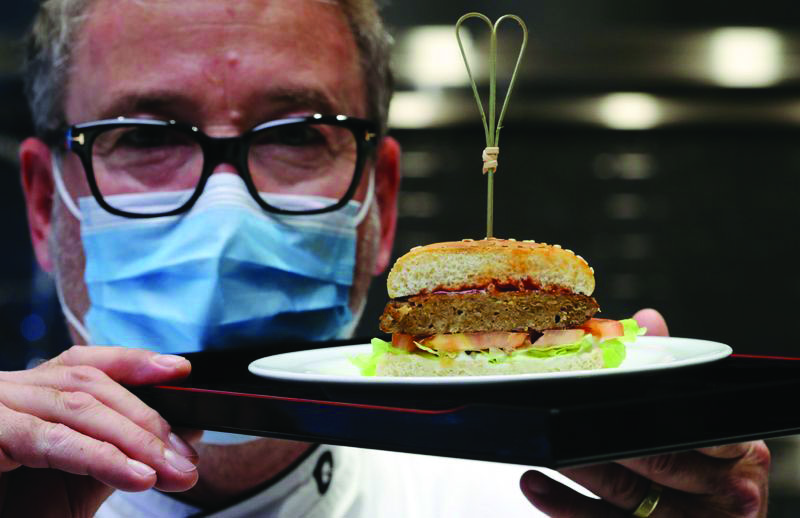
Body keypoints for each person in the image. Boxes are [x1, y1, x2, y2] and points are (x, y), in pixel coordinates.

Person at [6, 0, 769, 516]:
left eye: (298, 133)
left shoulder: (537, 499)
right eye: (144, 135)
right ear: (44, 205)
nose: (225, 215)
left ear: (381, 201)